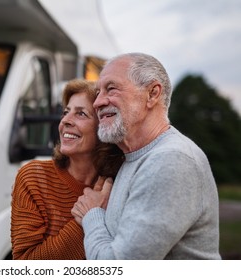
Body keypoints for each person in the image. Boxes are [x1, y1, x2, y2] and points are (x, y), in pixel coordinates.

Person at [71, 52, 221, 260]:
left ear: (152, 94)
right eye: (98, 93)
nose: (97, 102)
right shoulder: (135, 157)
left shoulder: (170, 160)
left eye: (111, 88)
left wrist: (92, 215)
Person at [10, 79, 124, 259]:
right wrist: (89, 216)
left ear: (103, 129)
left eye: (81, 114)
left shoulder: (120, 184)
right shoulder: (33, 177)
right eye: (66, 112)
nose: (65, 121)